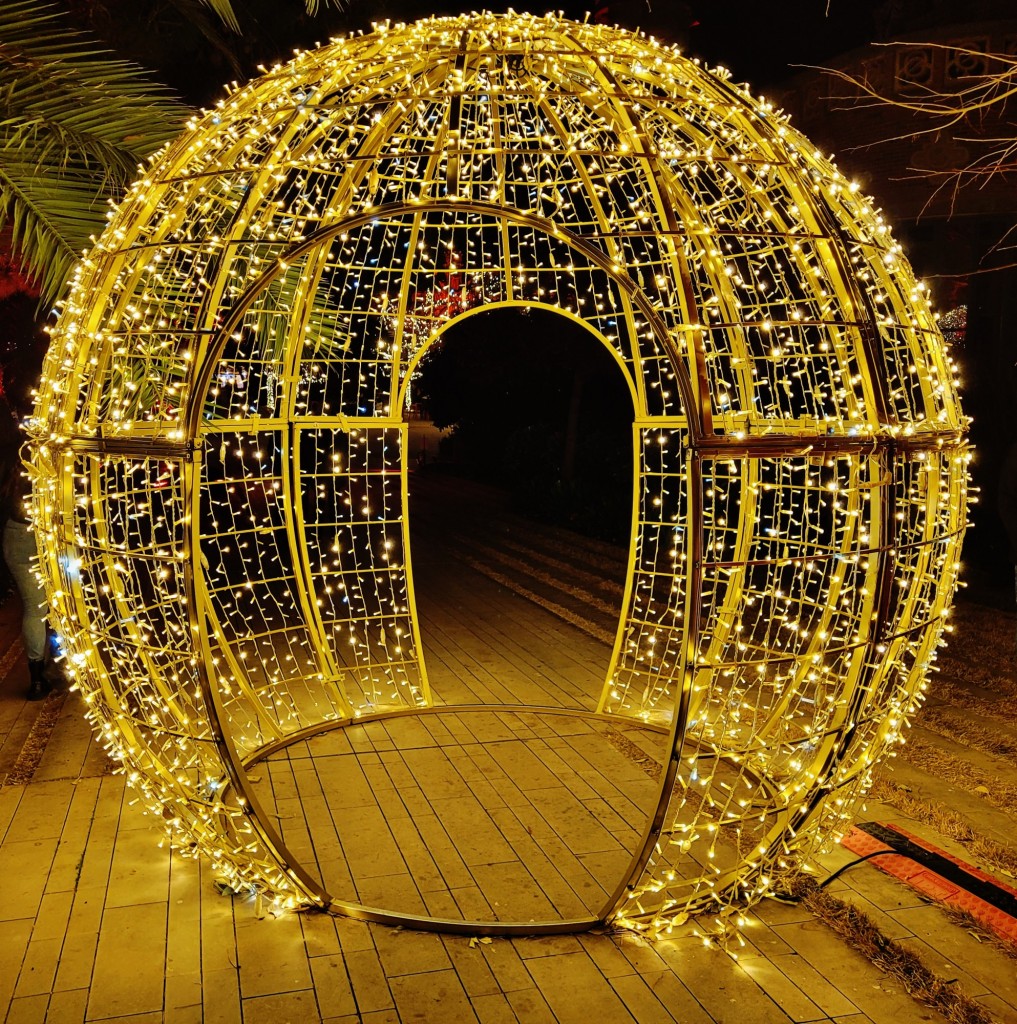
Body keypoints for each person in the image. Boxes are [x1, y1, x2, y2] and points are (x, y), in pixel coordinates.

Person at [0, 356, 51, 699]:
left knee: (36, 606)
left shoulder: (9, 449)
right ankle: (54, 666)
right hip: (49, 533)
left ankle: (38, 677)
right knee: (66, 598)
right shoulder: (50, 448)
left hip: (16, 532)